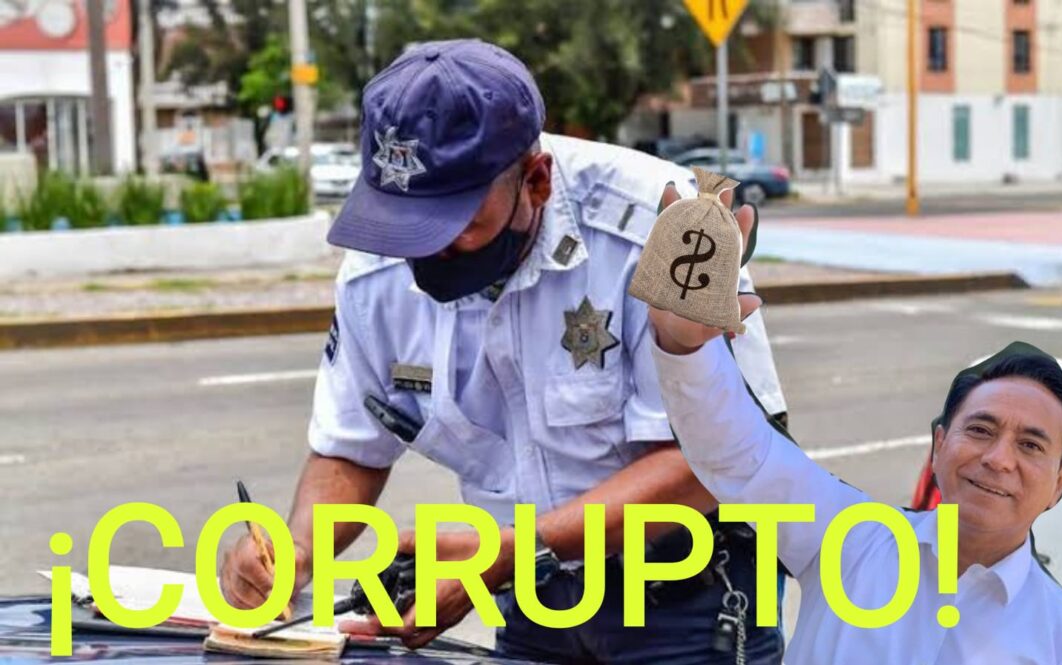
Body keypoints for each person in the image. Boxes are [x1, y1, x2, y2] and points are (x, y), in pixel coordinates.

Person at [220, 38, 788, 664]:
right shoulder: (373, 273)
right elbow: (352, 446)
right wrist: (297, 551)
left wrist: (510, 552)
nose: (424, 251)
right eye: (405, 224)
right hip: (532, 596)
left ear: (536, 181)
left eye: (454, 225)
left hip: (692, 599)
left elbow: (712, 461)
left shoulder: (674, 231)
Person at [647, 189, 1062, 664]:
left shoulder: (1057, 635)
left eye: (1031, 445)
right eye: (981, 430)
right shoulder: (850, 538)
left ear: (1059, 484)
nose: (998, 458)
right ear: (939, 446)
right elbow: (741, 457)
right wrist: (686, 347)